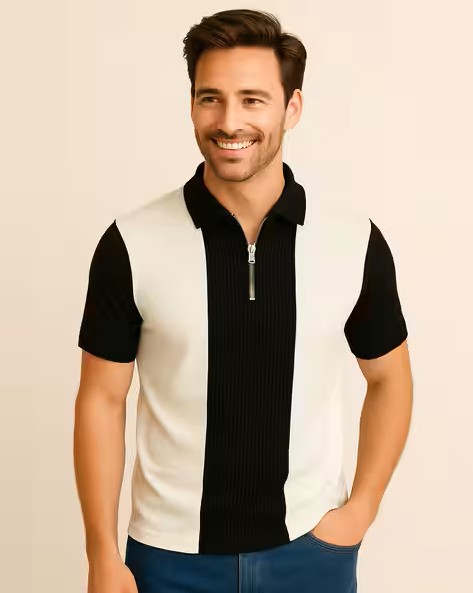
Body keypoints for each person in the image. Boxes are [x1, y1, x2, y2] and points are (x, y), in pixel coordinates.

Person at [74, 8, 413, 593]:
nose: (229, 121)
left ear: (292, 107)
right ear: (191, 105)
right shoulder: (131, 242)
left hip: (311, 555)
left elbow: (390, 379)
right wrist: (102, 555)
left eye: (253, 99)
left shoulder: (353, 240)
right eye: (211, 98)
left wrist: (361, 510)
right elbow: (101, 400)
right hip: (167, 560)